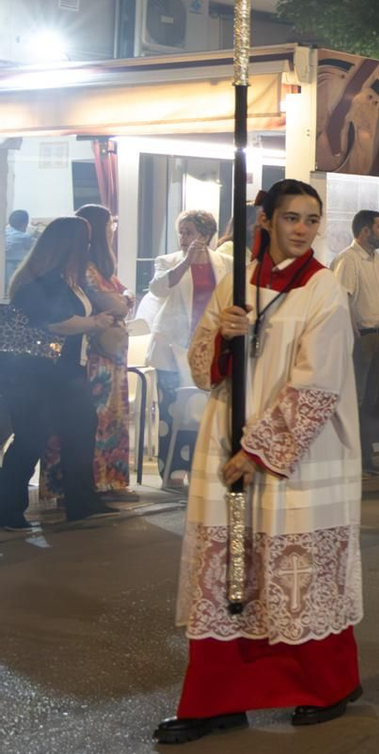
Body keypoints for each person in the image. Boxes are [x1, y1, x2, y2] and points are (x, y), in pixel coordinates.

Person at [154, 179, 364, 743]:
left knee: (296, 571)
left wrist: (258, 451)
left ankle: (329, 684)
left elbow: (318, 383)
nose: (302, 229)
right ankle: (216, 699)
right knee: (230, 573)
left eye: (312, 219)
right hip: (227, 437)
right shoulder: (236, 283)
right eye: (291, 218)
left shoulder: (324, 291)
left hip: (298, 455)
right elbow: (200, 368)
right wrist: (223, 338)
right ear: (265, 220)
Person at [0, 217, 120, 529]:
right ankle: (7, 508)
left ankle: (81, 500)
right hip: (35, 374)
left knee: (79, 429)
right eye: (86, 240)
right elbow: (55, 322)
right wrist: (95, 323)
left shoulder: (61, 279)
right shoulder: (41, 282)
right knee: (31, 438)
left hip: (62, 373)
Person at [38, 204, 132, 502]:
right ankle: (87, 487)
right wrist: (122, 301)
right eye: (109, 226)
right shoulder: (85, 269)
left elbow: (125, 294)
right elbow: (118, 302)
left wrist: (124, 299)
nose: (111, 232)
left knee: (106, 421)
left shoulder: (99, 268)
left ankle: (104, 483)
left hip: (109, 358)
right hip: (94, 360)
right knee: (92, 423)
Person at [147, 210, 231, 483]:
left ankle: (201, 469)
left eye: (190, 232)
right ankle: (171, 470)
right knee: (173, 409)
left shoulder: (225, 262)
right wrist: (185, 263)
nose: (183, 237)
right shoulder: (167, 261)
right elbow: (158, 289)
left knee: (204, 411)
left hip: (209, 347)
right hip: (173, 345)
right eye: (181, 232)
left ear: (206, 236)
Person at [332, 210, 379, 478]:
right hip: (364, 337)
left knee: (369, 400)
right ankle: (352, 461)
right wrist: (353, 332)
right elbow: (340, 298)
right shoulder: (348, 260)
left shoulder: (378, 261)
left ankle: (366, 459)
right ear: (366, 231)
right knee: (354, 401)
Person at [5, 208, 32, 293]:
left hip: (4, 262)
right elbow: (29, 247)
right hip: (17, 264)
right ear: (24, 224)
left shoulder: (5, 232)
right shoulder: (25, 237)